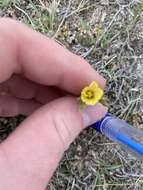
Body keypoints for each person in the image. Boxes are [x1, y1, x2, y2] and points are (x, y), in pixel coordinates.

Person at [0, 18, 107, 190]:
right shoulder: (87, 94)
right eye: (88, 94)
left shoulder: (92, 93)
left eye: (90, 94)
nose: (88, 94)